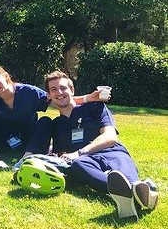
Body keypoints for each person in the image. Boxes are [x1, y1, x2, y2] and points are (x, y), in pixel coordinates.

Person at [26, 71, 158, 219]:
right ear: (49, 95)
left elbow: (110, 137)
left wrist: (80, 152)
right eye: (54, 89)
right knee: (78, 166)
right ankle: (138, 193)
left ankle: (133, 192)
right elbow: (59, 155)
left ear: (72, 90)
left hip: (111, 151)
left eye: (63, 88)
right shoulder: (56, 125)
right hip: (84, 161)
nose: (59, 93)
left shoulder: (95, 107)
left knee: (125, 175)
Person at [0, 64, 105, 170]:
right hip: (3, 141)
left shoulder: (29, 92)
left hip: (30, 143)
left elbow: (59, 98)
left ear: (6, 77)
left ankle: (25, 161)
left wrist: (88, 98)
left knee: (45, 121)